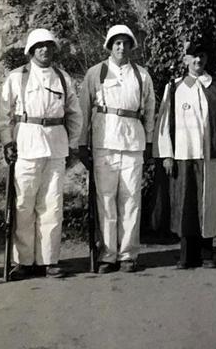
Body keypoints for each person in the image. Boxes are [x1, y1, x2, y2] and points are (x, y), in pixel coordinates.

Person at [0, 28, 83, 280]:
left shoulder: (62, 77)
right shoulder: (17, 78)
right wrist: (7, 142)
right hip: (26, 144)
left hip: (55, 145)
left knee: (52, 205)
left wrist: (74, 145)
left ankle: (49, 260)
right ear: (31, 50)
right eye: (39, 46)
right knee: (24, 204)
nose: (44, 50)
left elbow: (74, 114)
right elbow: (4, 116)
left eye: (48, 45)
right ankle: (23, 261)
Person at [153, 40, 216, 269]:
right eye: (193, 56)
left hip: (209, 155)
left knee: (208, 203)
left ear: (207, 59)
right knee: (185, 204)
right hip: (183, 154)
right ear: (185, 59)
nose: (198, 60)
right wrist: (167, 155)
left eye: (201, 55)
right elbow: (164, 122)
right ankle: (186, 255)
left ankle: (207, 253)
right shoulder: (174, 87)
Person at [79, 24, 155, 273]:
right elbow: (83, 110)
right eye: (117, 43)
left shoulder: (142, 75)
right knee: (106, 200)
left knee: (131, 200)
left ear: (132, 46)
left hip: (133, 143)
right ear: (110, 46)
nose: (121, 48)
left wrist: (150, 142)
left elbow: (150, 111)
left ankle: (128, 255)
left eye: (125, 43)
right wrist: (82, 144)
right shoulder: (95, 73)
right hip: (104, 143)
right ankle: (108, 254)